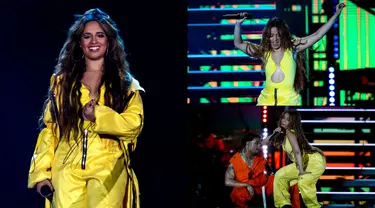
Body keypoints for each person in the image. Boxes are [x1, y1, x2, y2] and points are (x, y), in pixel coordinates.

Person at [27, 8, 145, 208]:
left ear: (108, 41)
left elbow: (134, 125)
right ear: (79, 43)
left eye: (100, 35)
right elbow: (51, 130)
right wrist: (41, 173)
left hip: (108, 169)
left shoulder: (125, 85)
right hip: (66, 170)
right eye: (87, 36)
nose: (93, 42)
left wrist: (98, 116)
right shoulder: (62, 83)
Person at [234, 3, 346, 106]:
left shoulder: (293, 48)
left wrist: (336, 15)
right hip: (266, 101)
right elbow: (238, 43)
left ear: (283, 35)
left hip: (289, 102)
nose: (275, 39)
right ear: (268, 37)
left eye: (278, 35)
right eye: (272, 36)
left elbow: (317, 35)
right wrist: (238, 24)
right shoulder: (264, 52)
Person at [262, 109, 326, 208]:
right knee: (280, 175)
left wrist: (301, 171)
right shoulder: (283, 134)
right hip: (301, 162)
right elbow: (264, 143)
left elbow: (297, 151)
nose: (283, 120)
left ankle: (314, 206)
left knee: (303, 181)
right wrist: (274, 132)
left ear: (292, 122)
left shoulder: (290, 133)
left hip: (314, 161)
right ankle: (283, 204)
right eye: (283, 118)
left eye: (287, 119)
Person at [225, 132, 300, 208]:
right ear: (247, 144)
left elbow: (271, 173)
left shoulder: (260, 156)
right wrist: (246, 185)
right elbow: (227, 181)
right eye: (256, 143)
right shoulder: (235, 161)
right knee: (237, 194)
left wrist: (276, 133)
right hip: (247, 188)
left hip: (264, 185)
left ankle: (289, 206)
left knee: (290, 182)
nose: (259, 146)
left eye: (260, 144)